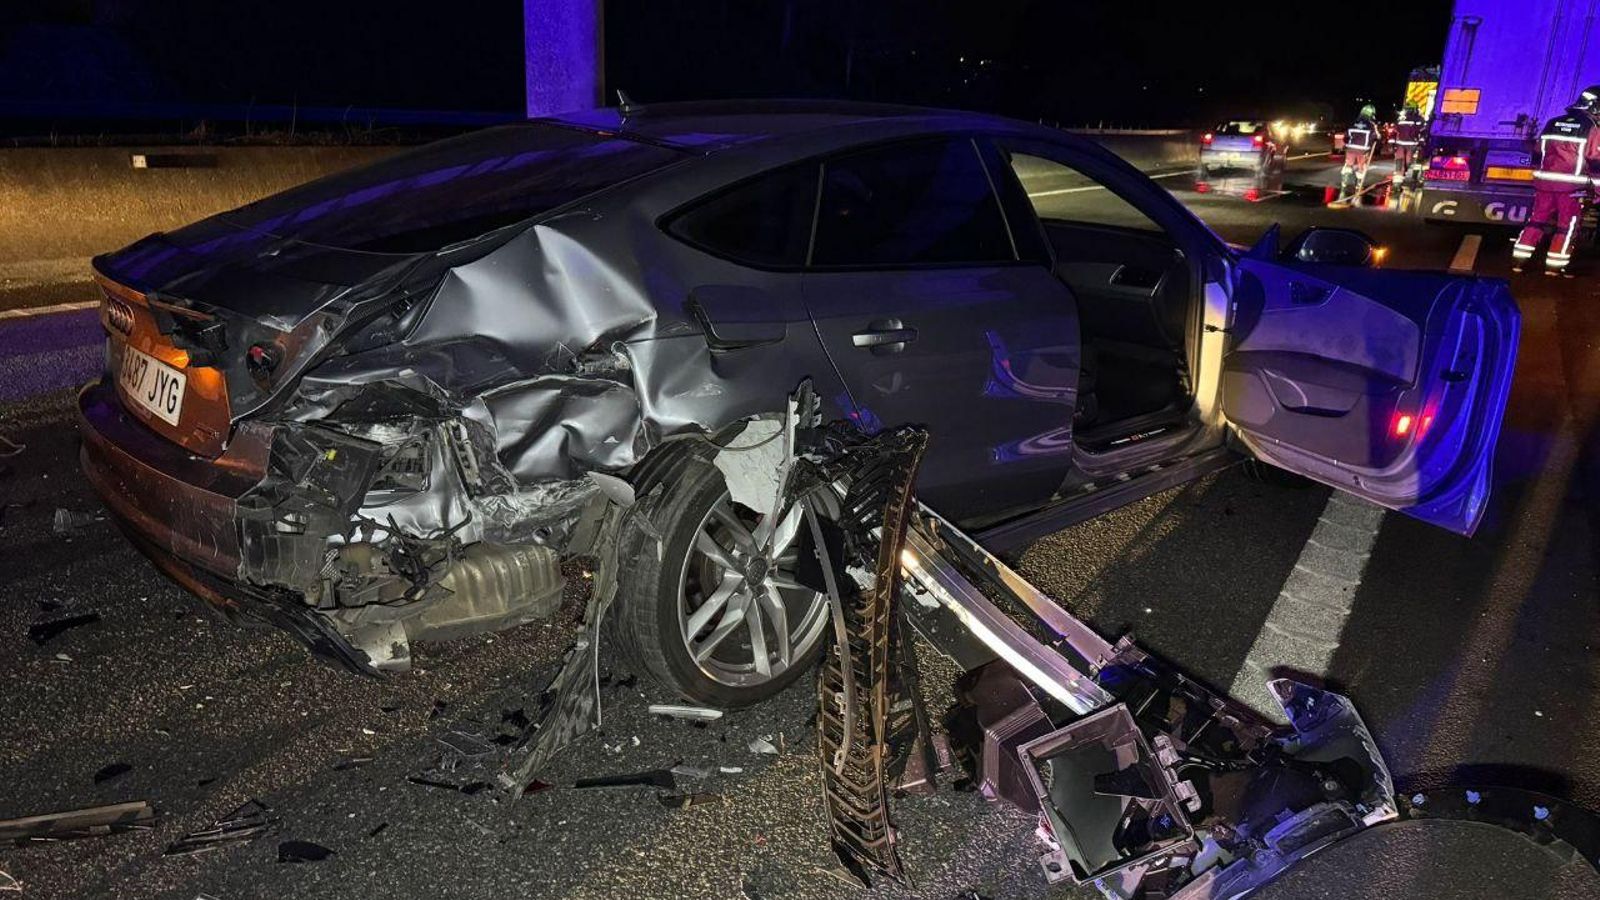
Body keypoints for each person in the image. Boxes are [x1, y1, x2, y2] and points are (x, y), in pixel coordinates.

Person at [1513, 85, 1600, 275]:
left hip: (1544, 183)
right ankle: (1554, 266)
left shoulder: (1553, 122)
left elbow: (1538, 151)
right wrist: (1597, 193)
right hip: (1572, 187)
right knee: (1566, 226)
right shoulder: (1591, 128)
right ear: (1595, 107)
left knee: (1536, 220)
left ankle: (1519, 261)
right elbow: (1595, 159)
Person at [1334, 104, 1380, 205]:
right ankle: (1358, 187)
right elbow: (1377, 137)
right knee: (1361, 168)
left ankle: (1343, 188)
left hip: (1351, 148)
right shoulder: (1371, 124)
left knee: (1348, 166)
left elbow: (1346, 137)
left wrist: (1348, 143)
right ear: (1371, 114)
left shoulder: (1353, 122)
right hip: (1363, 150)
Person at [1391, 103, 1426, 190]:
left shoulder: (1400, 118)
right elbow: (1423, 131)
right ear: (1415, 109)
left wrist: (1392, 145)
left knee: (1399, 162)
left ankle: (1397, 184)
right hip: (1411, 145)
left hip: (1400, 145)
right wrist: (1421, 143)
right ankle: (1405, 178)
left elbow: (1394, 131)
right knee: (1407, 162)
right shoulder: (1418, 119)